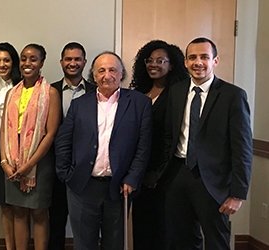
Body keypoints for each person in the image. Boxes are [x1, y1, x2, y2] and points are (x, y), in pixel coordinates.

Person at [55, 51, 152, 250]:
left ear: (121, 73)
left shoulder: (139, 103)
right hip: (82, 186)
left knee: (114, 243)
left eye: (112, 70)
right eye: (101, 70)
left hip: (119, 187)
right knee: (84, 243)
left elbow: (143, 146)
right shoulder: (79, 104)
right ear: (94, 75)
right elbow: (63, 141)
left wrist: (132, 178)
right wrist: (66, 174)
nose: (107, 75)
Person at [164, 37, 252, 249]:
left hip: (214, 181)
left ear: (215, 61)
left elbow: (242, 148)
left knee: (216, 240)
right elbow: (169, 134)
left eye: (204, 57)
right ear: (185, 62)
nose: (198, 62)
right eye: (192, 57)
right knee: (182, 238)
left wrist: (238, 194)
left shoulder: (233, 95)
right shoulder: (176, 91)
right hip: (178, 174)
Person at [128, 40, 189, 250]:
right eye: (150, 60)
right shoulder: (138, 94)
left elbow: (173, 137)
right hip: (138, 171)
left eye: (160, 61)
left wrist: (157, 172)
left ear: (171, 65)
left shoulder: (178, 94)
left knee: (163, 228)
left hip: (165, 174)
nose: (153, 64)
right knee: (141, 226)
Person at [0, 44, 61, 250]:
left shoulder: (50, 93)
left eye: (33, 59)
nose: (28, 63)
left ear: (42, 63)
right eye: (24, 58)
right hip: (13, 158)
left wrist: (29, 165)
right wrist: (4, 162)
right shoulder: (11, 93)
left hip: (39, 162)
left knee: (39, 211)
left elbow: (51, 133)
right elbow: (4, 132)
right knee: (18, 210)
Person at [49, 42, 96, 250]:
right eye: (68, 59)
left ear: (84, 62)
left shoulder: (97, 91)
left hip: (88, 165)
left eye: (77, 59)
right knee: (56, 218)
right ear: (61, 62)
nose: (73, 63)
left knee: (87, 221)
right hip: (56, 164)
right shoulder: (50, 91)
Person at [0, 42, 21, 250]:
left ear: (13, 61)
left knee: (19, 203)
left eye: (6, 60)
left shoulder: (22, 85)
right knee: (4, 203)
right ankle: (9, 247)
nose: (2, 64)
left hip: (18, 145)